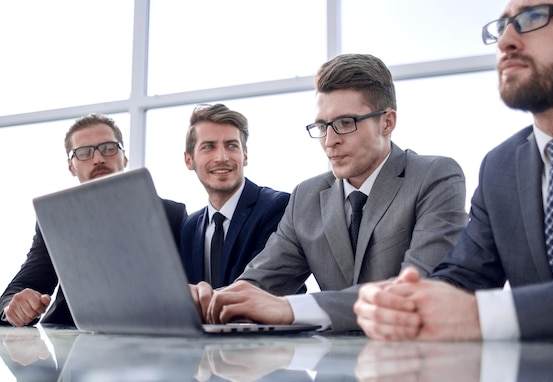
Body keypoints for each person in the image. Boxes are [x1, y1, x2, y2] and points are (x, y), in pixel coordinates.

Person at [354, 0, 553, 341]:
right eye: (502, 26)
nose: (505, 42)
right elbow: (465, 276)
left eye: (533, 17)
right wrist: (404, 305)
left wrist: (489, 316)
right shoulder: (501, 166)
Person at [190, 53, 468, 332]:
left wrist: (289, 308)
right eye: (322, 126)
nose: (329, 140)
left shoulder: (434, 177)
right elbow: (258, 283)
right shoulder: (306, 198)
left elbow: (420, 290)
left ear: (387, 122)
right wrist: (212, 301)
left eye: (346, 123)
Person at [0, 114, 187, 327]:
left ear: (124, 158)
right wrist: (13, 308)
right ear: (71, 167)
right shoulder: (58, 220)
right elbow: (21, 286)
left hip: (151, 338)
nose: (98, 159)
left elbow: (192, 288)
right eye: (84, 153)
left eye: (108, 148)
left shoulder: (171, 214)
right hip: (70, 341)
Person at [180, 103, 291, 289]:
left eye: (231, 145)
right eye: (208, 147)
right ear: (189, 160)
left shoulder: (277, 207)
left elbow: (265, 287)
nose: (222, 157)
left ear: (245, 155)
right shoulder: (190, 227)